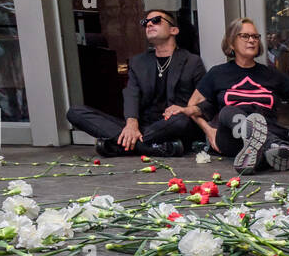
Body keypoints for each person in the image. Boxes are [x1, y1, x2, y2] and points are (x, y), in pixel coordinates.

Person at [178, 17, 289, 173]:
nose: (251, 40)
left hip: (269, 129)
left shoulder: (271, 74)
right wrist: (208, 130)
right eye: (245, 36)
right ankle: (274, 148)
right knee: (227, 111)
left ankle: (259, 157)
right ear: (231, 42)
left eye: (255, 37)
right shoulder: (217, 73)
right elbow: (192, 106)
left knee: (262, 125)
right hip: (232, 139)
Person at [66, 9, 206, 158]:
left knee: (182, 120)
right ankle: (157, 148)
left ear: (174, 30)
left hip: (172, 125)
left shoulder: (192, 61)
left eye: (156, 20)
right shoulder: (138, 62)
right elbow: (131, 93)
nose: (149, 24)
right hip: (142, 125)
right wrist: (131, 123)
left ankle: (120, 145)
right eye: (145, 23)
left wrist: (186, 110)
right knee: (75, 112)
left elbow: (206, 102)